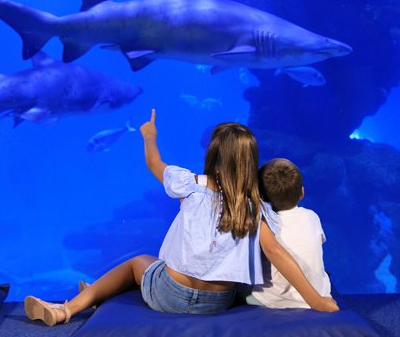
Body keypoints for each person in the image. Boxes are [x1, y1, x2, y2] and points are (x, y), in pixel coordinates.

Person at [24, 110, 337, 326]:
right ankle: (98, 291)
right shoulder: (253, 207)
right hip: (217, 302)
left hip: (171, 294)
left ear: (211, 156)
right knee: (148, 270)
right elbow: (276, 253)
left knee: (138, 263)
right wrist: (317, 300)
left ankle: (67, 309)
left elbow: (154, 163)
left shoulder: (188, 184)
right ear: (250, 163)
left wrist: (149, 136)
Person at [244, 158, 334, 309]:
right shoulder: (312, 216)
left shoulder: (264, 223)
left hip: (275, 300)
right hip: (321, 292)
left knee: (238, 290)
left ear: (260, 196)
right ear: (302, 193)